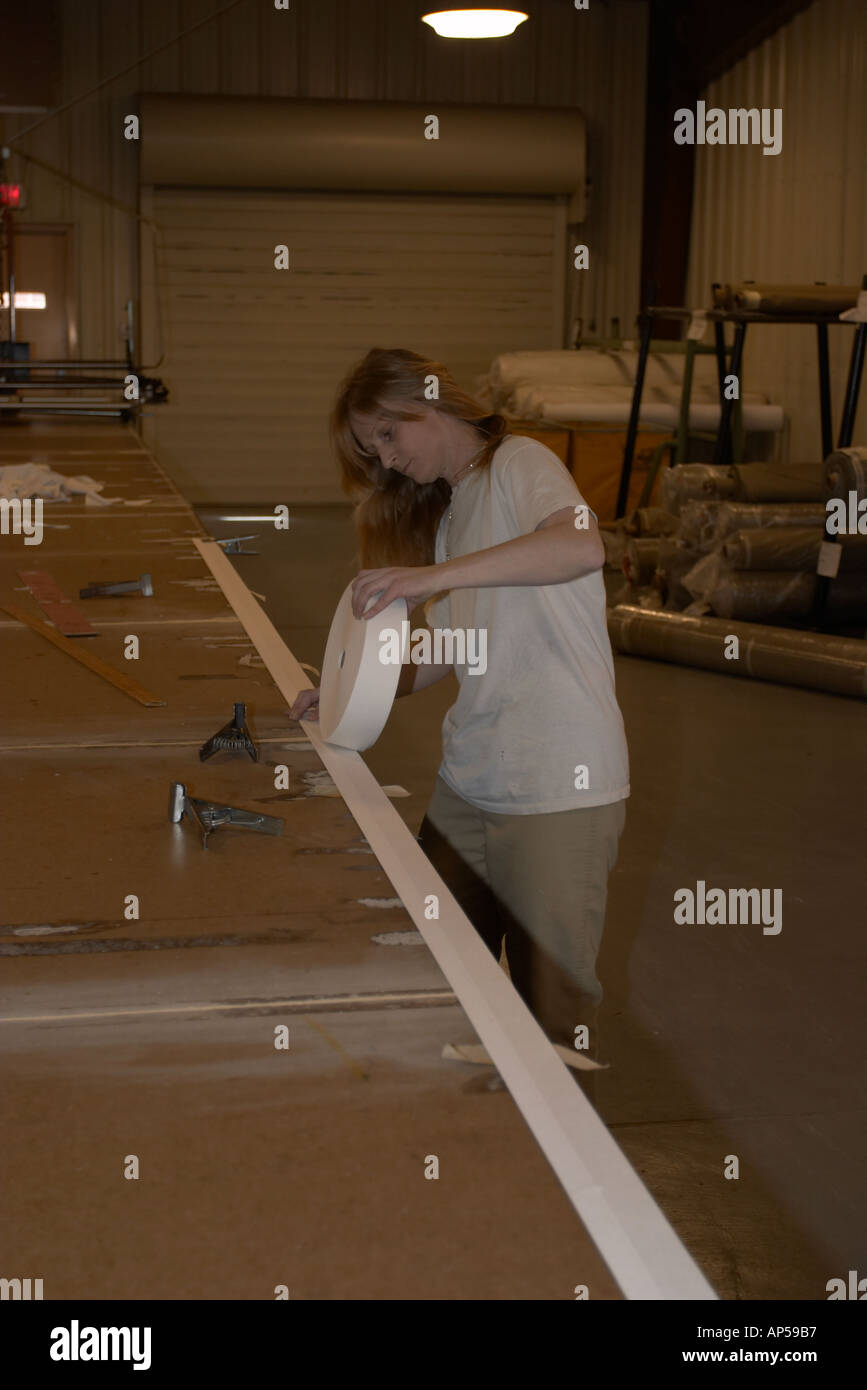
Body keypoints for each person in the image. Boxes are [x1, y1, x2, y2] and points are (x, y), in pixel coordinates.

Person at [288, 347, 629, 1098]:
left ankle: (570, 1190)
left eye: (386, 435)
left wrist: (428, 577)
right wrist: (354, 691)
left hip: (558, 786)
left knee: (554, 1009)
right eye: (370, 447)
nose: (384, 459)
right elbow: (453, 644)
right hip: (471, 781)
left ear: (431, 403)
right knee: (438, 967)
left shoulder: (519, 463)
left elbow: (578, 543)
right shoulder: (453, 516)